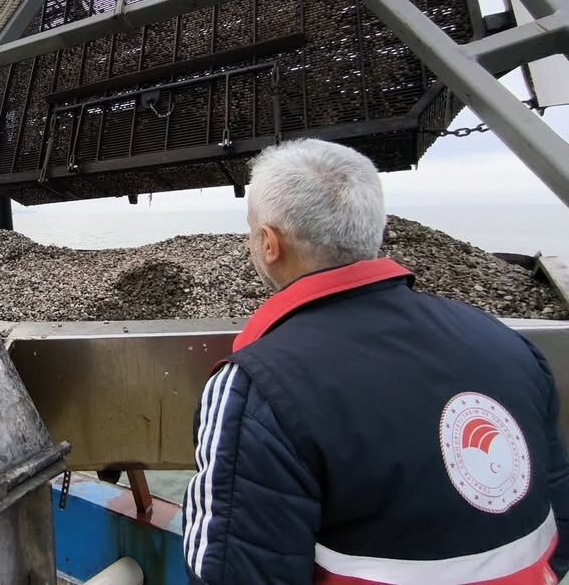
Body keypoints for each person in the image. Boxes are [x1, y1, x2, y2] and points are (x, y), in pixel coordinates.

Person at [183, 138, 569, 584]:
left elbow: (233, 572)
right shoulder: (506, 343)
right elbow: (557, 518)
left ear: (269, 243)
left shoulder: (256, 387)